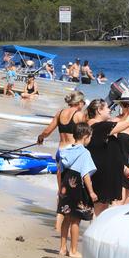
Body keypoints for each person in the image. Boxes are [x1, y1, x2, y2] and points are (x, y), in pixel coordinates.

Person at [37, 91, 87, 232]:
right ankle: (71, 221)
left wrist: (41, 136)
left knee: (62, 190)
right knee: (74, 189)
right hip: (72, 155)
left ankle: (57, 224)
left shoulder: (60, 113)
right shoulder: (78, 115)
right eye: (83, 103)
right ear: (79, 103)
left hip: (60, 152)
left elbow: (48, 130)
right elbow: (87, 133)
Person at [86, 98, 129, 216]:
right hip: (101, 174)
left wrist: (123, 168)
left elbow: (108, 150)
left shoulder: (94, 125)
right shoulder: (99, 126)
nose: (110, 110)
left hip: (102, 172)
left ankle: (99, 231)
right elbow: (127, 123)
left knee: (104, 208)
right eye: (107, 108)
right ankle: (98, 232)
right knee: (102, 209)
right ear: (99, 110)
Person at [57, 123, 98, 258]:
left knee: (66, 217)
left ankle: (62, 248)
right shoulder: (85, 153)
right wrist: (91, 192)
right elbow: (85, 175)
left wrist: (59, 188)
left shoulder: (66, 150)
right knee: (76, 219)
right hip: (77, 187)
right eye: (90, 137)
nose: (90, 139)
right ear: (86, 137)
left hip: (65, 186)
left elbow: (59, 171)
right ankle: (73, 250)